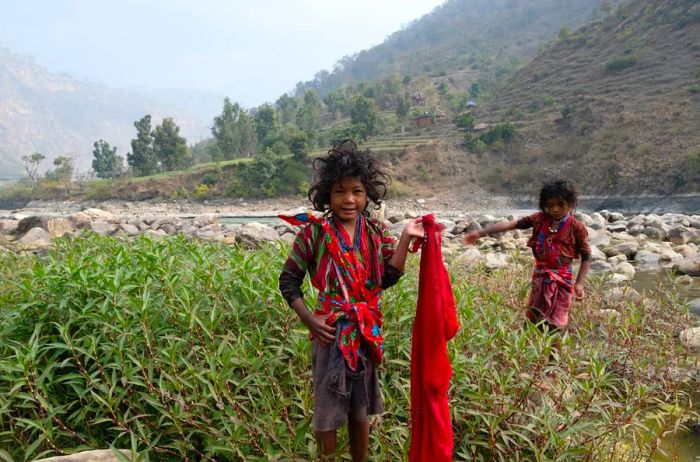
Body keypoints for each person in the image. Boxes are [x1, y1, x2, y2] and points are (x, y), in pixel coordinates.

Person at [278, 140, 423, 461]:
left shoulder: (375, 232)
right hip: (329, 331)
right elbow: (288, 281)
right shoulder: (314, 234)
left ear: (367, 194)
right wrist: (308, 318)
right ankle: (327, 457)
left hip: (364, 330)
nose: (349, 199)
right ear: (327, 195)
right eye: (340, 191)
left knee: (360, 407)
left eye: (357, 191)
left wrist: (405, 239)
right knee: (327, 406)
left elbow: (387, 277)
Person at [463, 179, 591, 331]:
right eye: (550, 205)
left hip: (562, 281)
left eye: (560, 204)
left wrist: (579, 283)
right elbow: (513, 224)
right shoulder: (539, 219)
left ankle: (554, 353)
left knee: (557, 323)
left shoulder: (576, 227)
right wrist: (481, 232)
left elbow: (587, 256)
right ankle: (537, 352)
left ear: (570, 204)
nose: (555, 209)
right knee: (535, 320)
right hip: (541, 278)